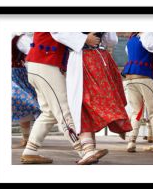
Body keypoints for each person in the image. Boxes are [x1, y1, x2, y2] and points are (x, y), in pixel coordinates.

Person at [21, 32, 103, 165]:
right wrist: (85, 38)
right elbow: (58, 31)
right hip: (46, 64)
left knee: (49, 113)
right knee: (64, 109)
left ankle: (30, 151)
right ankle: (84, 151)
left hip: (39, 64)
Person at [66, 32, 132, 164]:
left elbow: (111, 40)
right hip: (95, 58)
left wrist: (86, 38)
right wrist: (85, 38)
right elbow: (111, 40)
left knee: (85, 102)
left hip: (87, 59)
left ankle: (90, 149)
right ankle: (90, 148)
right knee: (86, 101)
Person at [121, 32, 153, 152]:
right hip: (144, 76)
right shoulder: (148, 36)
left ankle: (131, 141)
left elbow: (129, 53)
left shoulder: (131, 39)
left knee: (136, 112)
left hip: (129, 77)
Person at [12, 32, 40, 148]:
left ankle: (26, 138)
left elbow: (33, 53)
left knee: (24, 103)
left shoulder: (20, 38)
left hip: (17, 73)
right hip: (16, 73)